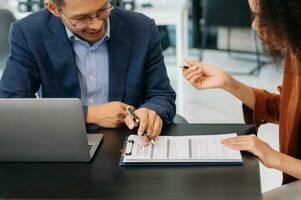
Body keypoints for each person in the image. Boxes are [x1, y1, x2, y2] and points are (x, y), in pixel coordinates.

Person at [0, 0, 176, 142]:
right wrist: (88, 114)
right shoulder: (29, 33)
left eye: (102, 10)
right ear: (54, 8)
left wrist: (152, 111)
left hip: (127, 141)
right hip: (60, 141)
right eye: (82, 18)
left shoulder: (141, 28)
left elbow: (161, 94)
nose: (97, 25)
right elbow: (12, 103)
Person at [183, 0, 301, 185]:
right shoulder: (296, 50)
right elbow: (288, 110)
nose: (254, 25)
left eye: (260, 16)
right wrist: (228, 82)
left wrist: (274, 158)